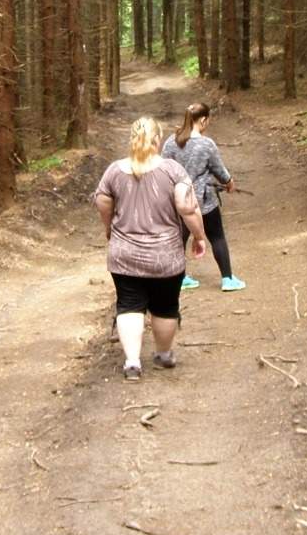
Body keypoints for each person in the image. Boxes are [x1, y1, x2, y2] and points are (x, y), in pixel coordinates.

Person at [94, 116, 208, 380]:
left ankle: (132, 363)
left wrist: (109, 227)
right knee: (165, 306)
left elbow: (102, 201)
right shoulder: (173, 170)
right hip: (165, 256)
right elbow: (187, 207)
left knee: (128, 305)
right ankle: (164, 355)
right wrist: (199, 236)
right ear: (157, 140)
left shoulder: (114, 170)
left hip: (124, 255)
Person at [162, 102, 245, 292]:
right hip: (204, 200)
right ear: (203, 120)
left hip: (178, 200)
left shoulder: (171, 141)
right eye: (208, 120)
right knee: (216, 236)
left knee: (179, 238)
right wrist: (230, 183)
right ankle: (227, 279)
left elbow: (164, 168)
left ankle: (180, 277)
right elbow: (219, 171)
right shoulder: (206, 144)